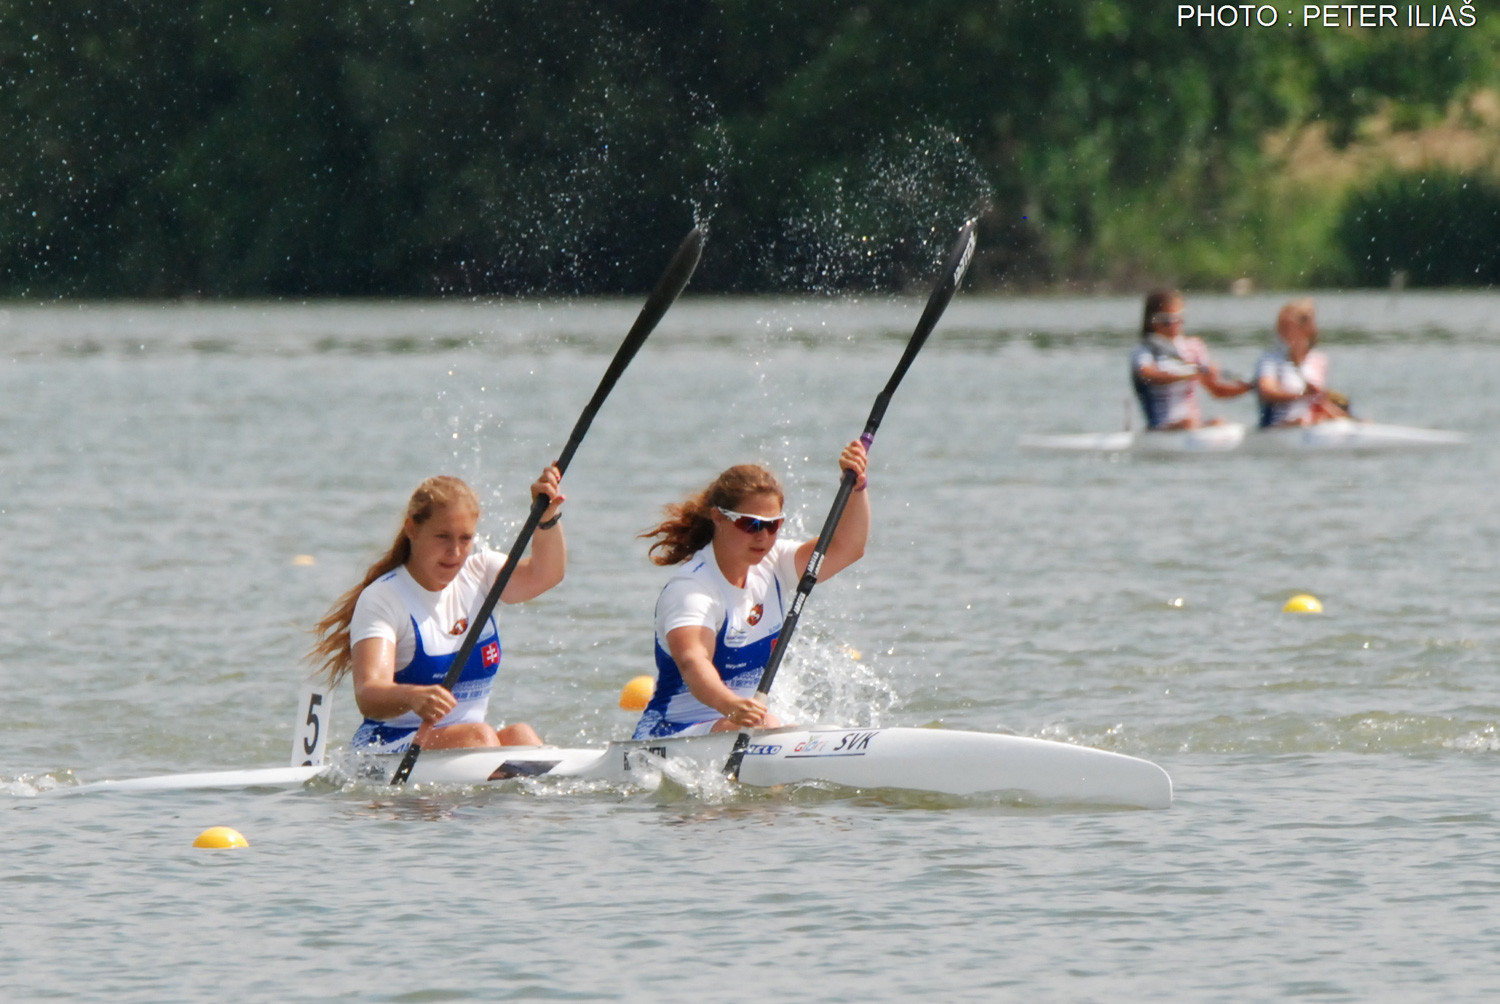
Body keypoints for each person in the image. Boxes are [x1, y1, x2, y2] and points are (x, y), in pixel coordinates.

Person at [310, 469, 566, 752]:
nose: (455, 552)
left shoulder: (482, 575)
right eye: (443, 537)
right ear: (412, 529)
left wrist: (547, 514)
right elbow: (368, 693)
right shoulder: (384, 598)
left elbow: (547, 575)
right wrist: (413, 697)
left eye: (465, 538)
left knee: (522, 736)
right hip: (385, 745)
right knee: (479, 737)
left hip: (464, 743)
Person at [631, 442, 870, 740]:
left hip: (740, 727)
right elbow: (693, 661)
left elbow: (847, 548)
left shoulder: (775, 562)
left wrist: (857, 488)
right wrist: (730, 705)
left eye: (774, 525)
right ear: (718, 517)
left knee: (800, 727)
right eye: (751, 524)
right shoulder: (692, 590)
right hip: (671, 736)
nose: (763, 537)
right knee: (767, 725)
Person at [1130, 289, 1251, 430]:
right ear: (1151, 322)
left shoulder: (1194, 347)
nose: (1174, 324)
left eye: (1179, 318)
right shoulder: (1144, 350)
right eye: (1167, 321)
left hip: (1191, 424)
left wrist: (1248, 387)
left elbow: (1217, 391)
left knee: (1219, 422)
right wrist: (1192, 372)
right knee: (1189, 423)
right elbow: (1148, 375)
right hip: (1161, 426)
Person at [1255, 298, 1350, 427]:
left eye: (1288, 326)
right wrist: (1301, 395)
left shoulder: (1318, 359)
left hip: (1312, 422)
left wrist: (1350, 420)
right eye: (1283, 326)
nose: (1282, 331)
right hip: (1280, 425)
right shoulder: (1270, 359)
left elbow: (1318, 402)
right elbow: (1266, 391)